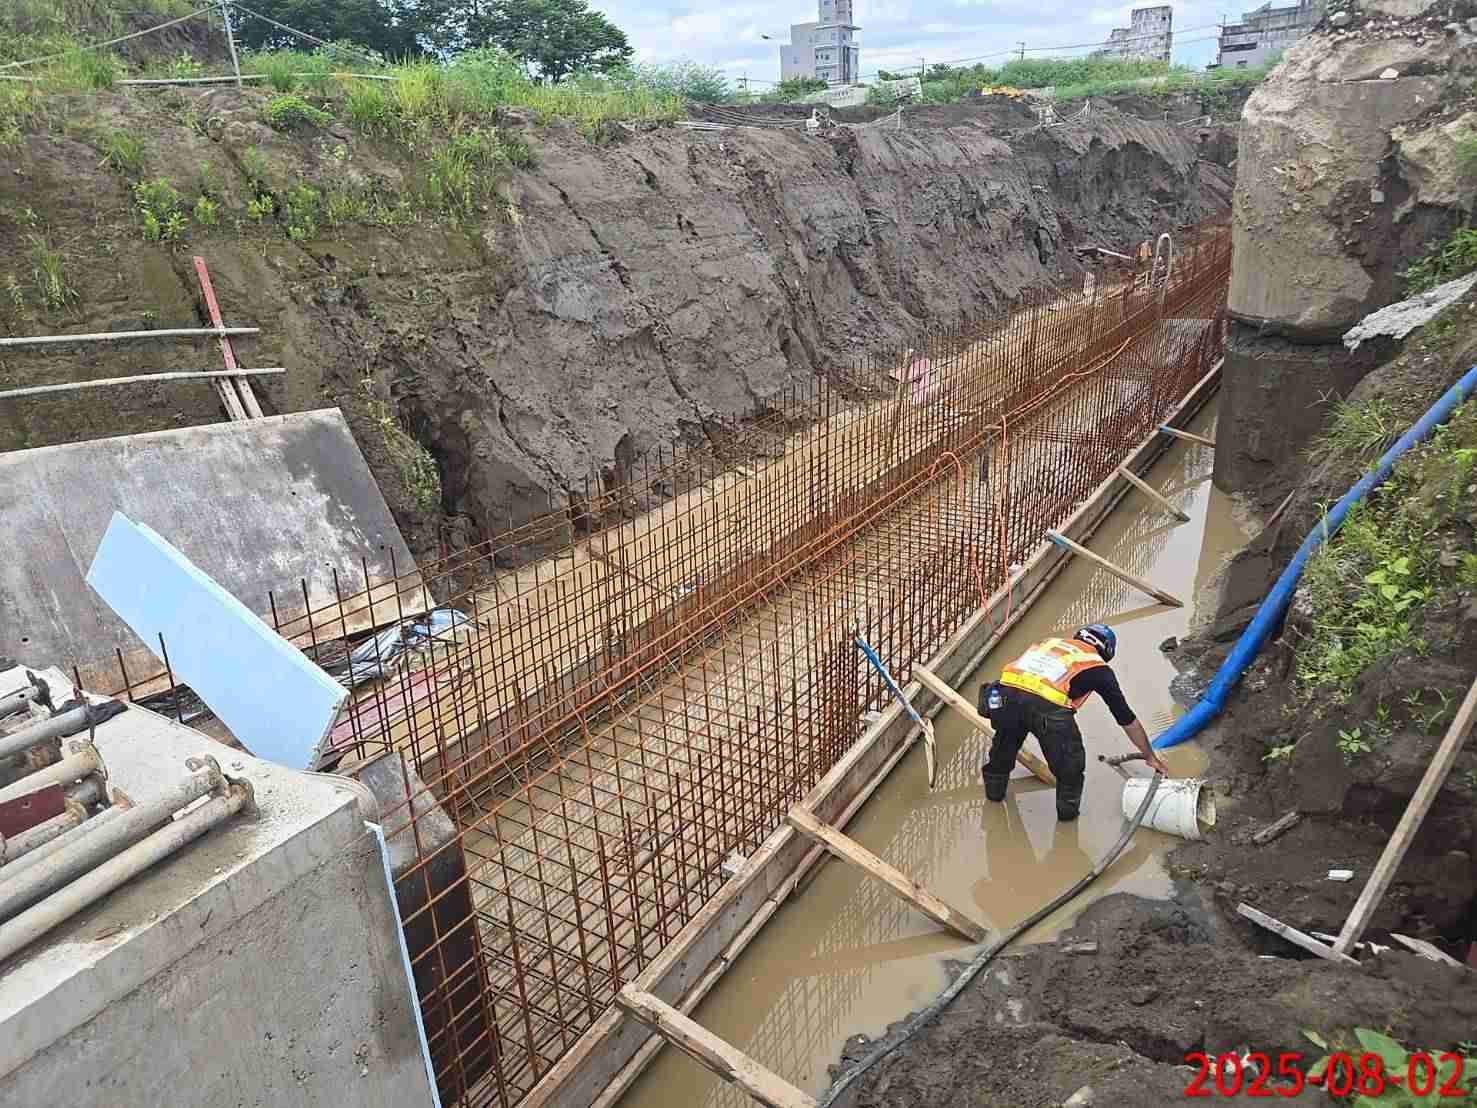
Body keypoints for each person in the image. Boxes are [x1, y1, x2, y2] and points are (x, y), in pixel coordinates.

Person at [978, 623, 1169, 821]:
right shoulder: (1097, 667)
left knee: (1003, 747)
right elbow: (1126, 718)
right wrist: (1150, 756)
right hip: (1046, 712)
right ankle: (1067, 824)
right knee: (1070, 769)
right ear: (1107, 650)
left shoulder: (1049, 643)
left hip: (1000, 698)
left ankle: (993, 802)